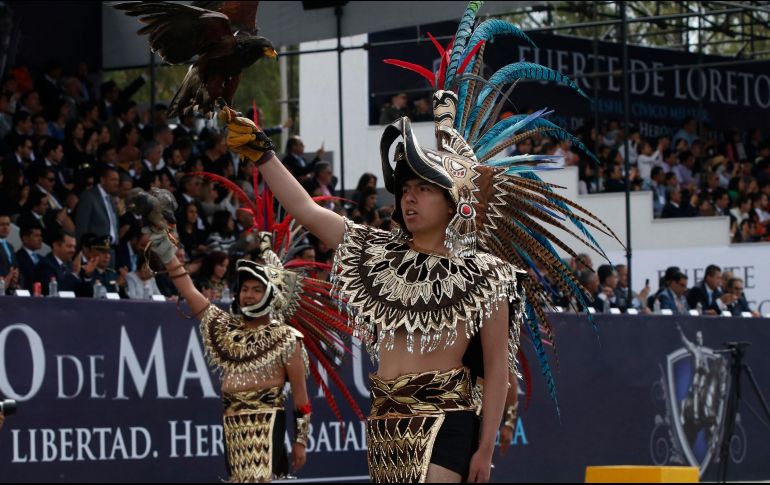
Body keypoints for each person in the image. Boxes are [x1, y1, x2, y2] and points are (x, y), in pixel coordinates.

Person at [219, 3, 617, 481]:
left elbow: (495, 371)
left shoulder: (486, 278)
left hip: (447, 424)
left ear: (453, 204)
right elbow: (306, 210)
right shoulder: (378, 256)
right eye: (405, 189)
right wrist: (263, 153)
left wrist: (484, 449)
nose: (409, 199)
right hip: (385, 427)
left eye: (423, 189)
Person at [141, 186, 361, 482]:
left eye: (256, 289)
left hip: (269, 426)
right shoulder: (226, 329)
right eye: (245, 289)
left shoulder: (286, 338)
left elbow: (301, 399)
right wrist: (167, 254)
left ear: (269, 295)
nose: (248, 295)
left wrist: (300, 442)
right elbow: (190, 291)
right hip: (233, 426)